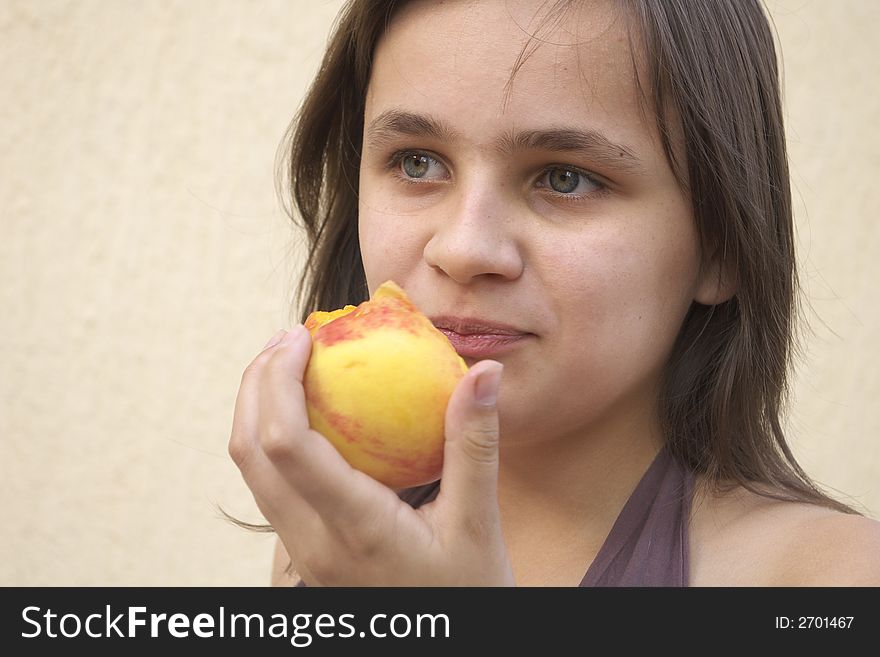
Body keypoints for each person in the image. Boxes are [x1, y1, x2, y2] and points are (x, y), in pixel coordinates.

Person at [227, 0, 880, 586]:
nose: (463, 247)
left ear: (720, 244)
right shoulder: (337, 549)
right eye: (416, 162)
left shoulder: (830, 579)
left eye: (565, 178)